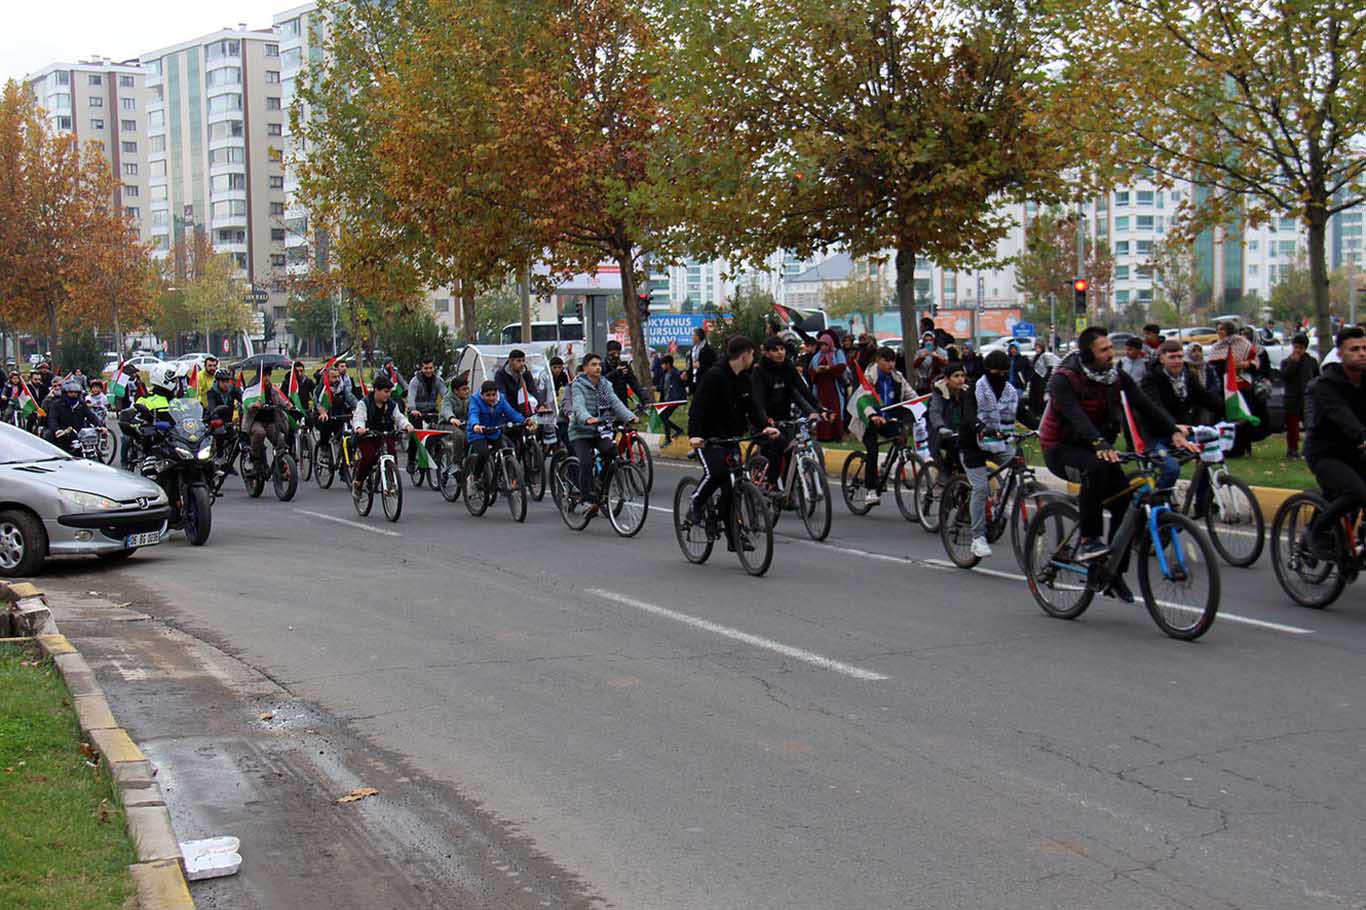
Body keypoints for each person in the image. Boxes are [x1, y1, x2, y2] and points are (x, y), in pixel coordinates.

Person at [1039, 327, 1194, 602]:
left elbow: (1144, 405)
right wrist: (1098, 443)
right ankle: (1088, 540)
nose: (1112, 354)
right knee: (1094, 469)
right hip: (1062, 448)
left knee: (1126, 504)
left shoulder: (1115, 376)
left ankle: (1110, 574)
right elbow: (1075, 416)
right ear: (1088, 354)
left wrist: (1173, 432)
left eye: (1111, 348)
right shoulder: (1065, 379)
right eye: (1104, 350)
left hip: (1101, 448)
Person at [686, 336, 779, 550]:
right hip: (708, 439)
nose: (753, 359)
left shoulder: (743, 377)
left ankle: (734, 538)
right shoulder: (714, 376)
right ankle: (696, 503)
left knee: (732, 489)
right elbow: (697, 408)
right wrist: (694, 436)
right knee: (717, 473)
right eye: (752, 355)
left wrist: (764, 426)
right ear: (745, 355)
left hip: (731, 438)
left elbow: (752, 407)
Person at [1304, 327, 1366, 559]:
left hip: (1356, 453)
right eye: (1354, 349)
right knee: (1357, 493)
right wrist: (1362, 436)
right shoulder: (1326, 383)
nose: (1361, 353)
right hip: (1325, 454)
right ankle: (1316, 531)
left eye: (1365, 349)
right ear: (1340, 354)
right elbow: (1340, 413)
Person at [1140, 340, 1223, 511]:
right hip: (1155, 435)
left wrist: (1231, 411)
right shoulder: (1150, 379)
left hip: (1182, 432)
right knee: (1171, 468)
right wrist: (1173, 427)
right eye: (1172, 357)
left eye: (1180, 356)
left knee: (1208, 452)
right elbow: (1156, 408)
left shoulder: (1187, 376)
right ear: (1162, 358)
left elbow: (1205, 397)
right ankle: (1159, 503)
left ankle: (1203, 502)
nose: (1177, 361)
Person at [958, 351, 1020, 557]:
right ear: (988, 371)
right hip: (973, 444)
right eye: (997, 373)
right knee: (981, 487)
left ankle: (1003, 501)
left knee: (1018, 465)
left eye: (1005, 372)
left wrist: (1041, 427)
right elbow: (969, 414)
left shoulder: (1010, 391)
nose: (1001, 376)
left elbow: (1023, 412)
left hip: (999, 442)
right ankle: (977, 537)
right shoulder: (975, 389)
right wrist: (981, 427)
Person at [846, 346, 916, 505]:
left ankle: (886, 466)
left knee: (901, 437)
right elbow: (863, 399)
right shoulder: (869, 377)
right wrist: (873, 415)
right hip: (867, 420)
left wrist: (920, 405)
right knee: (873, 450)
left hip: (887, 419)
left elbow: (910, 395)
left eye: (893, 360)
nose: (890, 364)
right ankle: (871, 490)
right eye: (886, 360)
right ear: (877, 360)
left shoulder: (898, 378)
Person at [752, 337, 822, 488]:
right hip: (764, 419)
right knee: (778, 447)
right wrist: (765, 419)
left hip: (784, 418)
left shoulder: (788, 367)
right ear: (767, 353)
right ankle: (772, 484)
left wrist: (817, 409)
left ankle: (788, 490)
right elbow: (757, 399)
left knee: (791, 451)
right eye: (775, 350)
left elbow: (802, 391)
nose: (779, 353)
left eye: (782, 349)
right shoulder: (759, 370)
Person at [568, 353, 637, 501]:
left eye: (599, 364)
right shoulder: (578, 385)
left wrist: (629, 416)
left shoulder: (605, 385)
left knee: (612, 452)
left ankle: (600, 482)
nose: (598, 367)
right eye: (593, 365)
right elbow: (578, 406)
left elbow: (616, 403)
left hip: (600, 430)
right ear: (585, 368)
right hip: (581, 431)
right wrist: (587, 418)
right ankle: (586, 498)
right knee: (586, 462)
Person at [350, 375, 414, 495]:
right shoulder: (364, 403)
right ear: (376, 390)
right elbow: (358, 418)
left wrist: (407, 425)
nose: (388, 395)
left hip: (384, 434)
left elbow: (399, 418)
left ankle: (391, 482)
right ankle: (358, 482)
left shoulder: (391, 405)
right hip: (366, 435)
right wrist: (360, 428)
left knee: (392, 454)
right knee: (369, 457)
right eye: (385, 392)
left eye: (389, 392)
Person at [465, 379, 526, 491]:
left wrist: (524, 420)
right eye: (488, 395)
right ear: (482, 394)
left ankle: (500, 478)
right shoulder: (475, 399)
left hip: (494, 431)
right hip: (478, 433)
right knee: (484, 453)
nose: (491, 398)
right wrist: (475, 425)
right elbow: (473, 413)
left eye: (493, 394)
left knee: (509, 448)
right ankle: (474, 477)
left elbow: (511, 413)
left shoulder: (501, 399)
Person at [243, 369, 292, 475]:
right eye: (264, 375)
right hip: (256, 421)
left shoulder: (272, 389)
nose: (267, 378)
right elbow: (246, 402)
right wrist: (254, 405)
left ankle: (280, 465)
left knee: (280, 440)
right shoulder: (253, 389)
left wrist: (288, 405)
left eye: (269, 375)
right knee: (260, 433)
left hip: (270, 421)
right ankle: (253, 458)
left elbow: (280, 400)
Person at [404, 357, 447, 473]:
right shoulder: (415, 381)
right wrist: (413, 409)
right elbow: (411, 396)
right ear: (421, 368)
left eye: (431, 368)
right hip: (416, 411)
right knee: (415, 434)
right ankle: (411, 460)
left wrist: (446, 408)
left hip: (431, 410)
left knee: (437, 433)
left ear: (434, 368)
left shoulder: (438, 380)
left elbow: (445, 395)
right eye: (426, 368)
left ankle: (437, 456)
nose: (428, 370)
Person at [1280, 334, 1319, 459]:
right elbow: (1285, 376)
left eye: (1300, 348)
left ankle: (1309, 449)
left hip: (1307, 398)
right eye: (1295, 347)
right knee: (1292, 428)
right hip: (1292, 399)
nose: (1297, 350)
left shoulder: (1311, 362)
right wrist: (1293, 363)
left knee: (1310, 426)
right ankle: (1292, 450)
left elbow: (1316, 377)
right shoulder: (1286, 362)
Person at [925, 361, 968, 469]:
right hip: (939, 430)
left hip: (959, 430)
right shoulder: (939, 392)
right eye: (956, 376)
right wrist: (940, 427)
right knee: (939, 450)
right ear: (947, 379)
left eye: (962, 376)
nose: (960, 379)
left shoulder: (966, 392)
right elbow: (935, 411)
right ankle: (944, 473)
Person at [807, 331, 848, 441]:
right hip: (821, 388)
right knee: (822, 409)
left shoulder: (837, 353)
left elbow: (842, 367)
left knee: (835, 409)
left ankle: (837, 435)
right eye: (821, 345)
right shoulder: (816, 357)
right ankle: (824, 436)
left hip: (833, 387)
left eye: (825, 344)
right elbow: (810, 371)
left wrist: (829, 369)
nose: (823, 347)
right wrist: (817, 371)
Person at [46, 379, 98, 453]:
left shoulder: (81, 405)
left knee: (95, 453)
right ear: (65, 393)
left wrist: (100, 426)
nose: (73, 395)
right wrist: (57, 430)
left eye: (75, 393)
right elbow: (52, 419)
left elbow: (92, 416)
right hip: (62, 435)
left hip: (79, 435)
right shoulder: (56, 404)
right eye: (70, 392)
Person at [439, 372, 472, 469]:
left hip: (463, 424)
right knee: (459, 435)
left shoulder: (469, 398)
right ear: (455, 391)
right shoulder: (448, 398)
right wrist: (451, 418)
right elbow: (446, 410)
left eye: (467, 389)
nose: (466, 391)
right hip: (446, 424)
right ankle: (455, 463)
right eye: (463, 389)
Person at [653, 354, 688, 444]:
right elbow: (663, 387)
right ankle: (678, 430)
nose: (662, 366)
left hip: (674, 400)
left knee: (663, 416)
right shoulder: (664, 374)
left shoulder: (676, 373)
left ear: (668, 364)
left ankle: (668, 438)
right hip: (666, 400)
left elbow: (683, 383)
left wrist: (684, 378)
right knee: (663, 417)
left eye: (663, 364)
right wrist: (655, 388)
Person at [603, 340, 645, 407]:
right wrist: (615, 372)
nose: (616, 356)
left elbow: (635, 384)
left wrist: (645, 400)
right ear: (608, 352)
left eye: (618, 353)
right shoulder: (602, 366)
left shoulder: (624, 366)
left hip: (622, 403)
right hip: (607, 404)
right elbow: (601, 381)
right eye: (613, 353)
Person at [1029, 339, 1060, 416]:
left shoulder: (1046, 355)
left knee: (1041, 398)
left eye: (1039, 347)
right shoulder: (1035, 357)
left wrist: (1045, 378)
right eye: (1036, 347)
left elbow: (1050, 368)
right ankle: (1034, 413)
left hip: (1042, 381)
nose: (1037, 349)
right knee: (1034, 398)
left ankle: (1040, 413)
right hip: (1034, 381)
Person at [685, 326, 716, 392]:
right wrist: (686, 373)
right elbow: (691, 366)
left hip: (705, 382)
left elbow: (712, 366)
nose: (692, 337)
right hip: (694, 381)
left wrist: (700, 366)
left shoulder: (708, 350)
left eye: (693, 335)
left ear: (697, 337)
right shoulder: (692, 350)